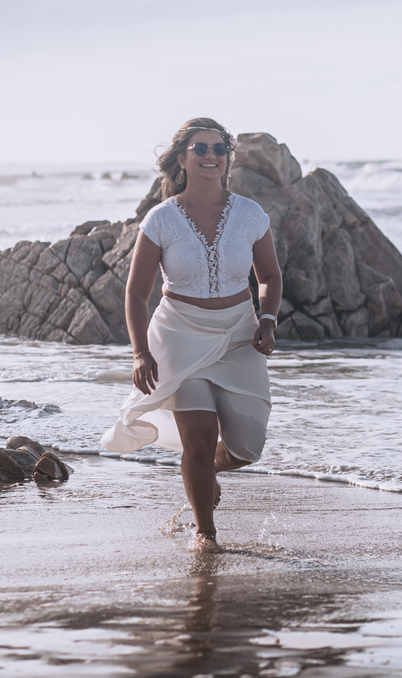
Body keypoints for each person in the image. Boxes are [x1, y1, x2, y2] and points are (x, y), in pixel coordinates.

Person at [101, 117, 283, 553]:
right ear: (182, 158)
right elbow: (137, 291)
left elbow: (270, 277)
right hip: (179, 336)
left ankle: (206, 472)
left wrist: (268, 319)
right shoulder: (161, 219)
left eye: (219, 149)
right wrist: (140, 352)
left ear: (228, 158)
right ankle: (206, 534)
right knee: (198, 440)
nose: (210, 157)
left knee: (246, 448)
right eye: (200, 149)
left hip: (239, 337)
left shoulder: (250, 214)